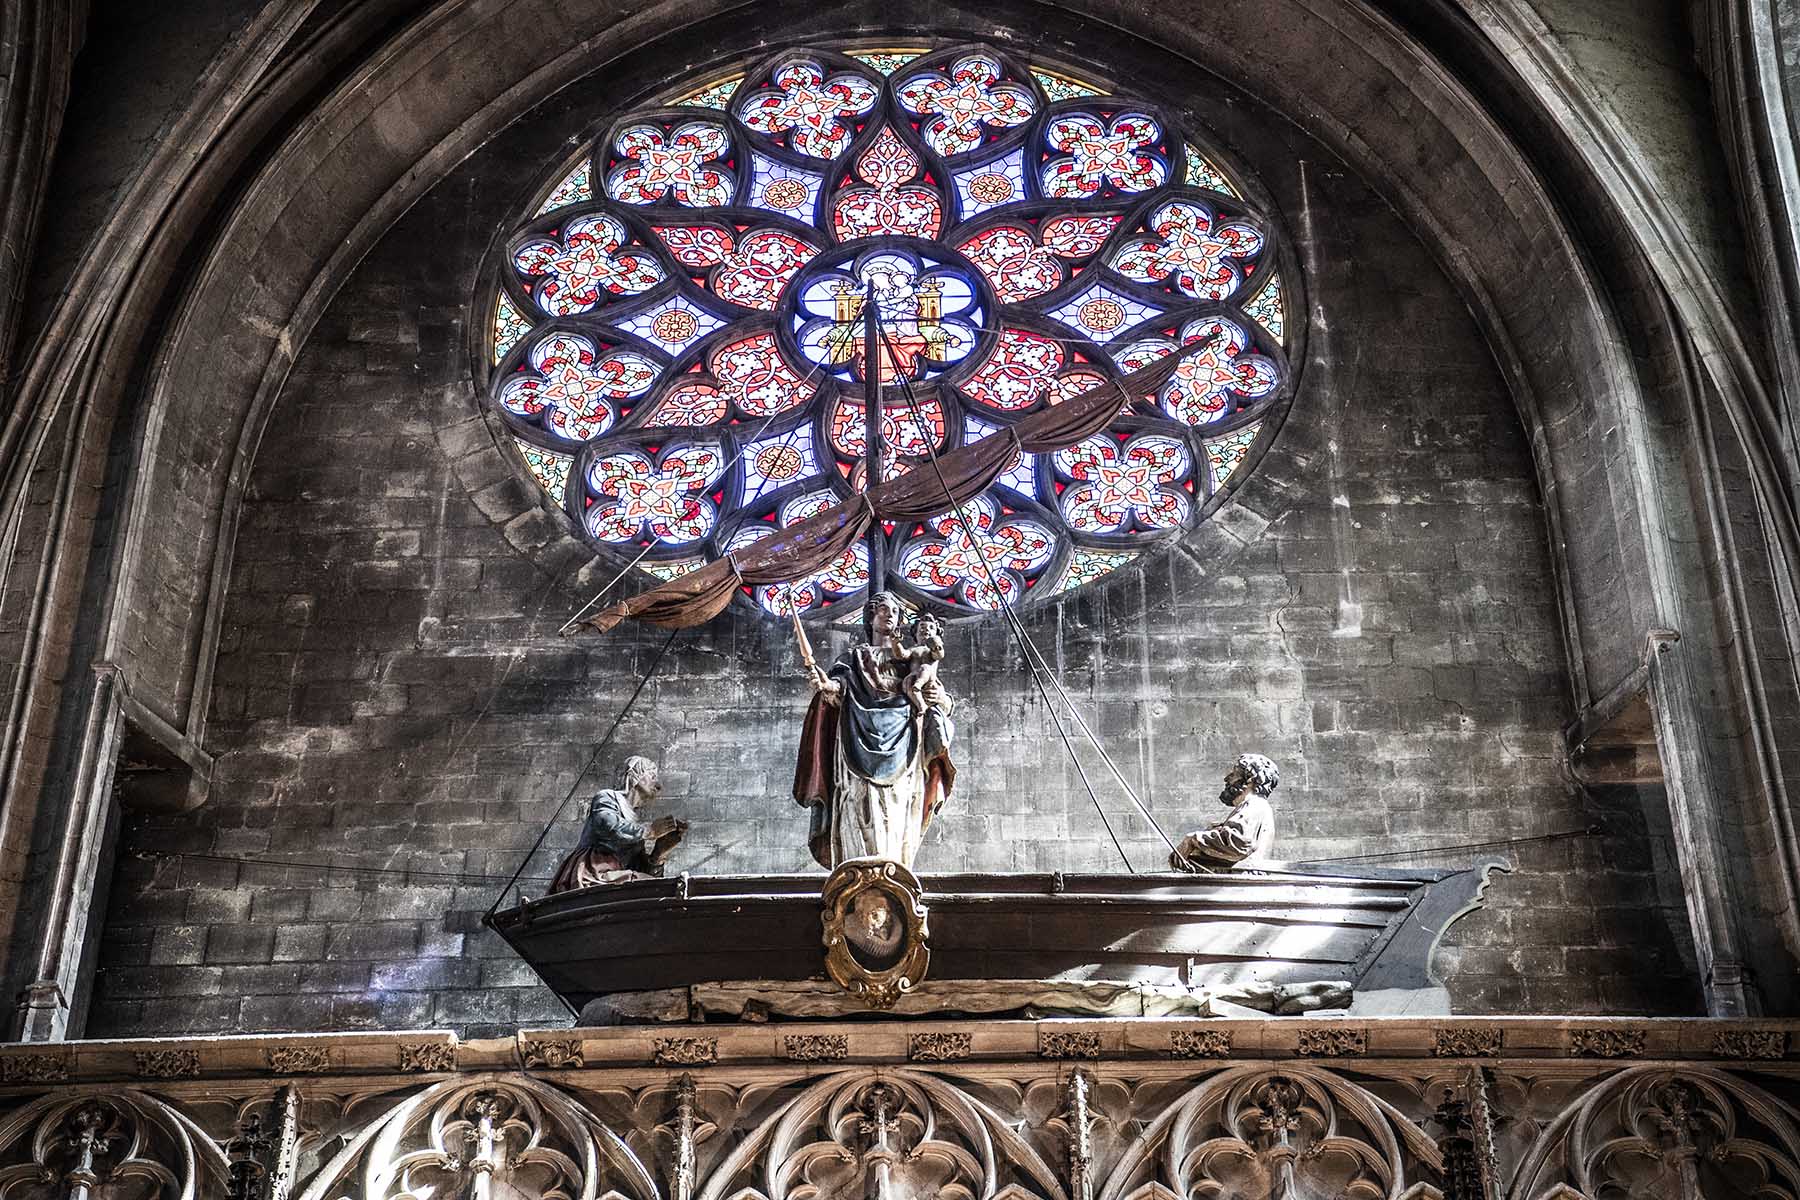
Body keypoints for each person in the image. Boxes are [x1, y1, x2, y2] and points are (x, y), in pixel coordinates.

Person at [793, 592, 955, 869]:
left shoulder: (913, 659)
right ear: (871, 616)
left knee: (898, 805)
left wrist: (941, 699)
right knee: (858, 801)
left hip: (904, 742)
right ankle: (857, 868)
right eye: (882, 609)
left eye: (894, 611)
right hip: (856, 737)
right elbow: (839, 690)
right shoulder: (853, 658)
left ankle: (894, 868)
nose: (888, 614)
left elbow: (939, 698)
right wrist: (826, 685)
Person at [549, 756, 686, 892]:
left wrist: (659, 853)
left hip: (616, 874)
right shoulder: (608, 797)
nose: (658, 785)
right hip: (593, 871)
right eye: (652, 776)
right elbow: (606, 824)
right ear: (633, 775)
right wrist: (649, 831)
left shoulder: (633, 823)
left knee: (655, 888)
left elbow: (640, 872)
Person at [1169, 753, 1279, 872]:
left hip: (1236, 886)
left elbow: (1238, 844)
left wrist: (1192, 839)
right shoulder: (1254, 806)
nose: (1226, 778)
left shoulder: (1254, 805)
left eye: (1233, 774)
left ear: (1250, 779)